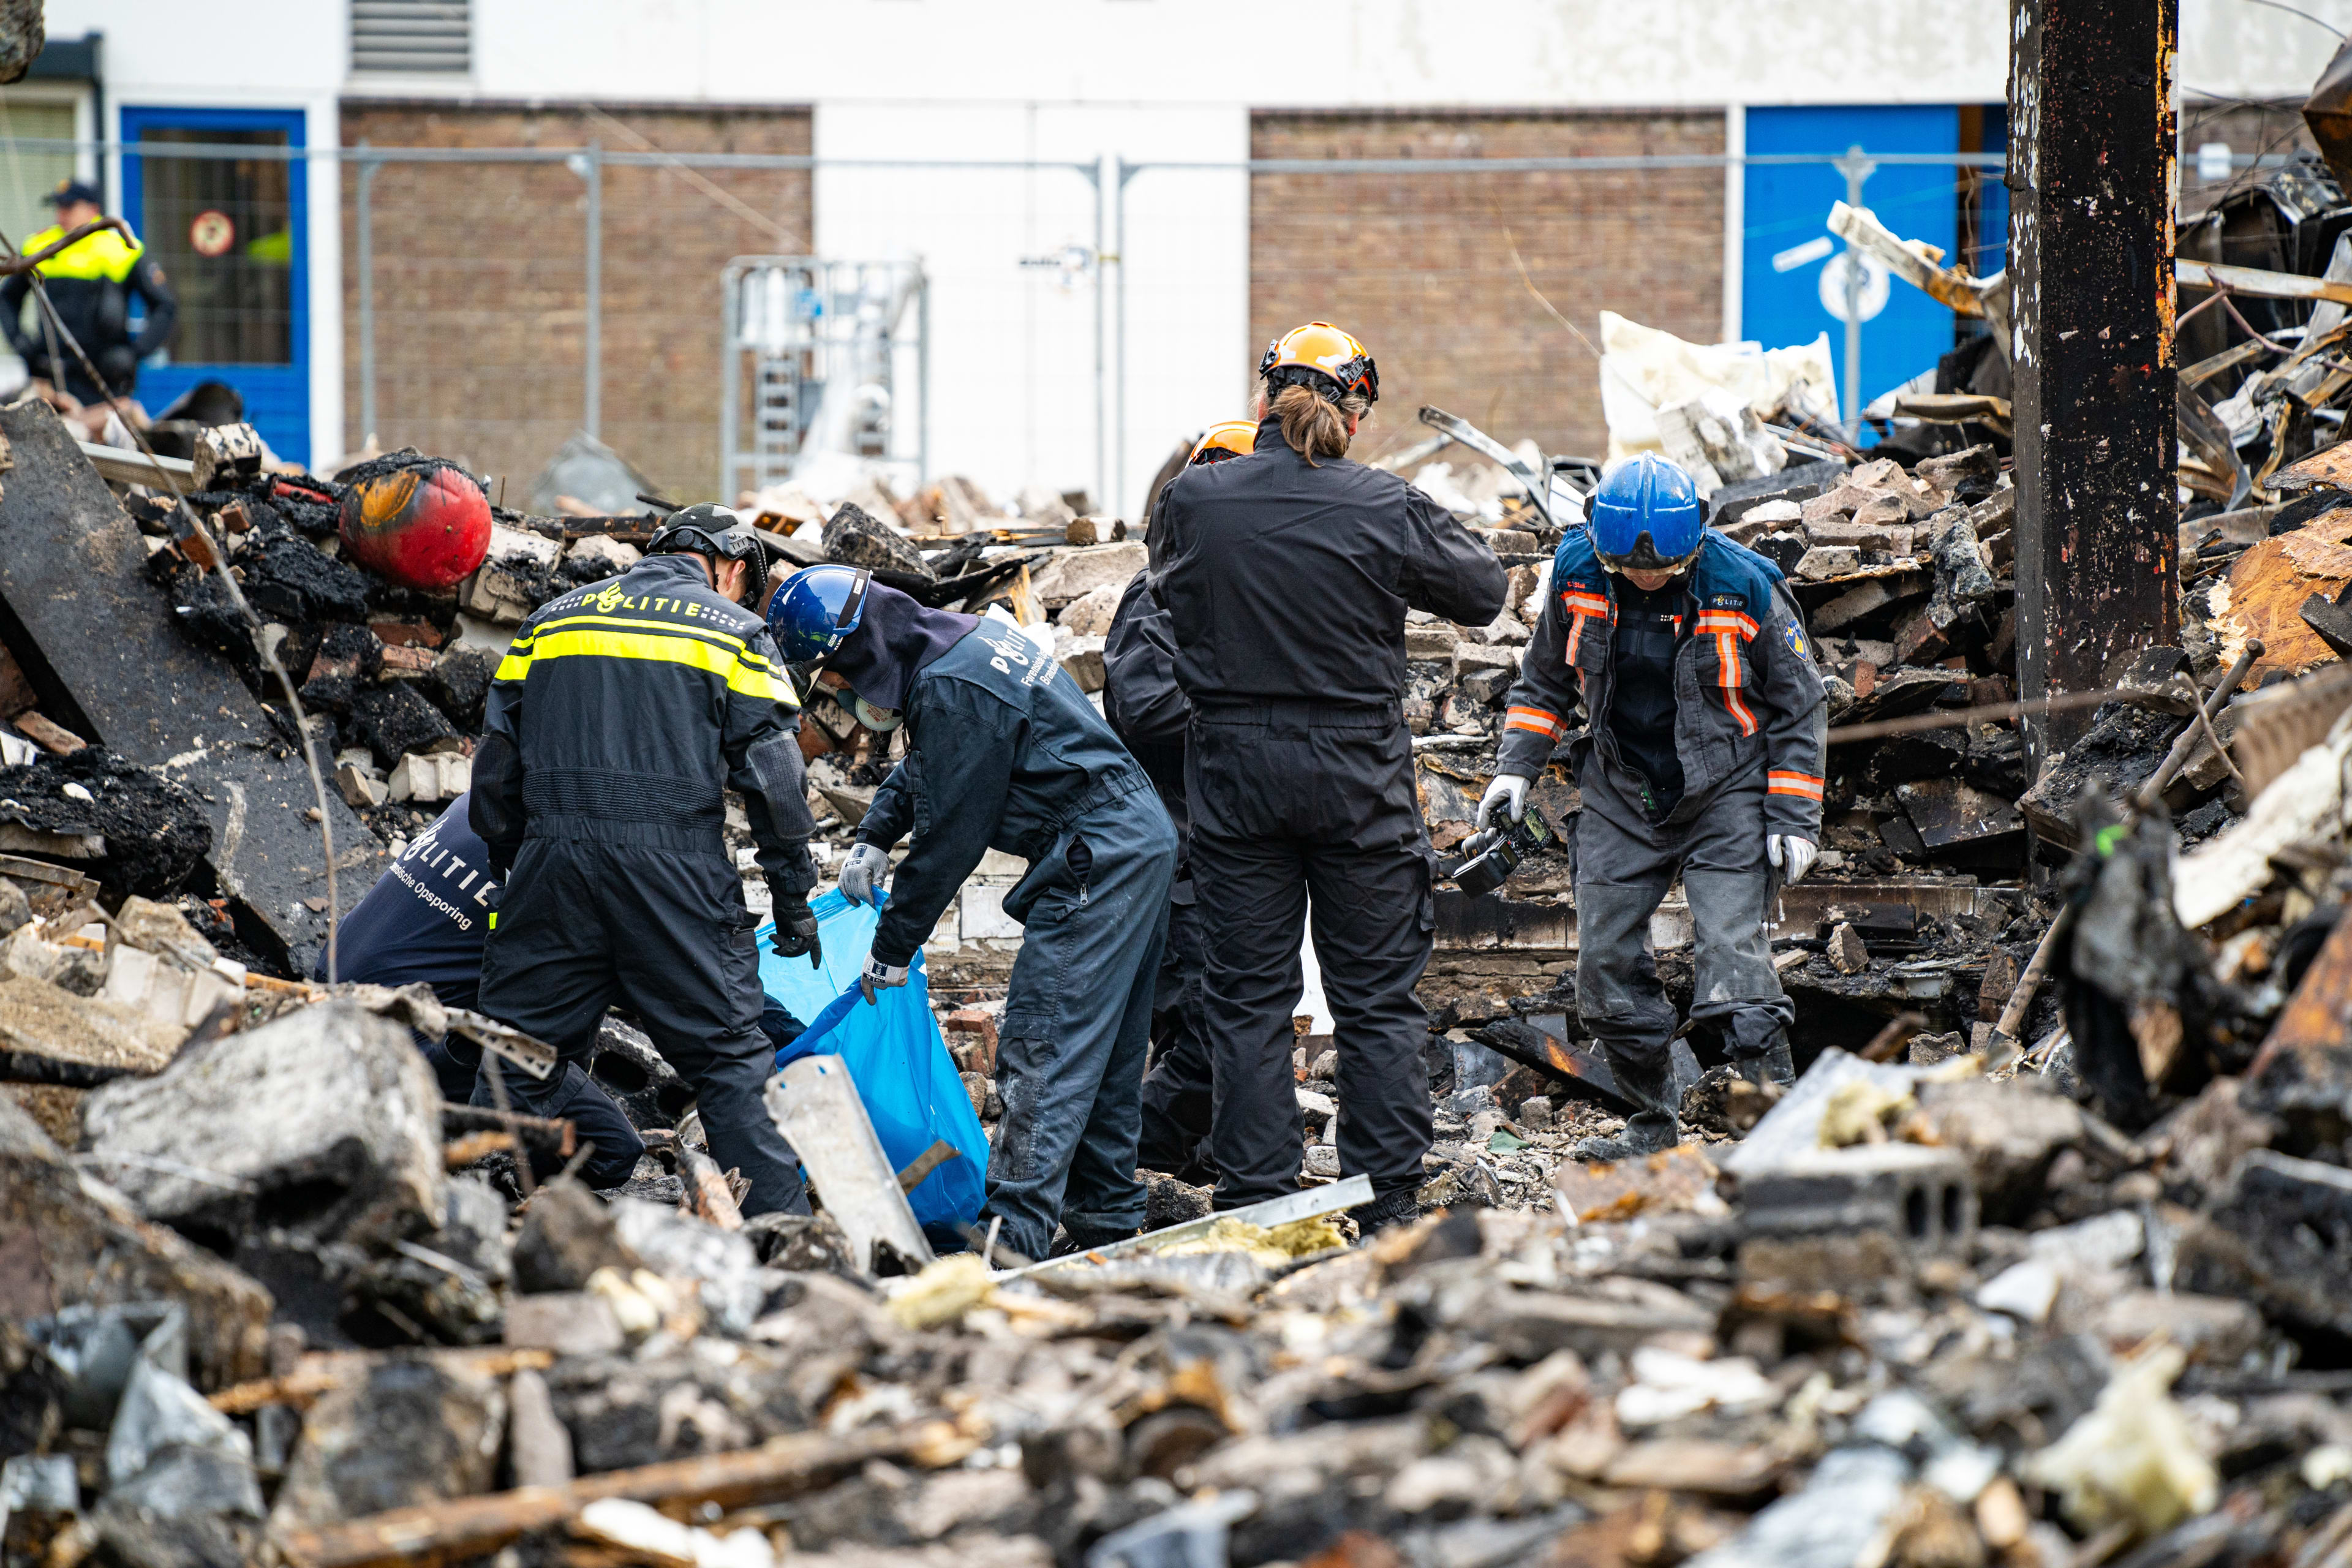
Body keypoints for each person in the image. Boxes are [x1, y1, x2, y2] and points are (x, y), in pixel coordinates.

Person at [1151, 323, 1507, 1231]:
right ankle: (1388, 1207)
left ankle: (1262, 1207)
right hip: (1356, 773)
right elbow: (1482, 590)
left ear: (1264, 398)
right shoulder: (1380, 503)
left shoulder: (1194, 500)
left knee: (1247, 1003)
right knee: (1376, 1000)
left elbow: (1173, 602)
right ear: (1352, 408)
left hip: (1234, 774)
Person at [771, 565, 1177, 1262]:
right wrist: (874, 830)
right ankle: (1107, 1219)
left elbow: (951, 834)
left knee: (1046, 1039)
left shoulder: (953, 687)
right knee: (1104, 1050)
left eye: (834, 677)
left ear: (858, 651)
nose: (841, 696)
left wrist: (892, 947)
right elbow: (935, 763)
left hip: (1098, 854)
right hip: (1136, 843)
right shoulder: (959, 646)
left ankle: (1011, 1240)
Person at [471, 503, 823, 1217]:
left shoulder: (550, 622)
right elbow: (778, 785)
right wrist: (792, 899)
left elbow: (496, 770)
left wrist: (520, 865)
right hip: (673, 875)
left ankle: (460, 1216)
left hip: (551, 867)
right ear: (729, 567)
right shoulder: (735, 631)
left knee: (518, 1057)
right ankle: (789, 1246)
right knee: (728, 1065)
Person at [1480, 453, 1826, 1161]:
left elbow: (1801, 704)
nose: (1644, 578)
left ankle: (1784, 1145)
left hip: (1725, 791)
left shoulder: (1745, 586)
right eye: (1629, 567)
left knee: (1735, 970)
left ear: (1695, 540)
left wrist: (1793, 819)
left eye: (1661, 569)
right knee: (1603, 972)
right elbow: (1543, 680)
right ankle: (1651, 1129)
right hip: (1619, 790)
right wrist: (1514, 769)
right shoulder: (1578, 571)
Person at [315, 791, 646, 1189]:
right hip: (394, 1036)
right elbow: (642, 982)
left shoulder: (484, 798)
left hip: (328, 979)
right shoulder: (569, 864)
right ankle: (499, 1188)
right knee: (614, 1150)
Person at [1115, 418, 1256, 1183]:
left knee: (1215, 1025)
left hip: (1230, 853)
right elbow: (1147, 711)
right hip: (1180, 858)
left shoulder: (1238, 597)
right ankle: (1133, 1154)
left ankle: (1188, 1167)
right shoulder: (1155, 600)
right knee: (1205, 1028)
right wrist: (1245, 707)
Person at [0, 179, 176, 415]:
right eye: (58, 207)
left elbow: (164, 306)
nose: (61, 214)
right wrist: (22, 343)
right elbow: (7, 299)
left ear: (93, 209)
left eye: (69, 207)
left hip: (105, 378)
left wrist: (135, 353)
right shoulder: (38, 246)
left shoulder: (121, 247)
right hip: (52, 374)